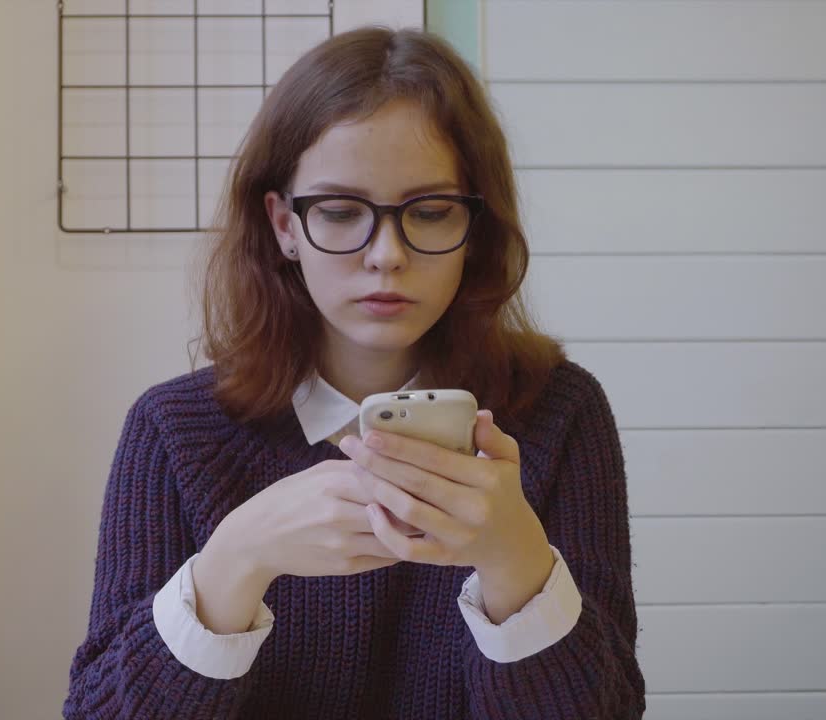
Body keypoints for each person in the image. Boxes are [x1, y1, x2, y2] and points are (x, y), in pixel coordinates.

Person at [63, 26, 645, 720]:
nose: (386, 255)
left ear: (477, 228)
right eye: (340, 212)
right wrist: (235, 561)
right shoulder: (173, 430)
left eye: (429, 213)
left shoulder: (559, 412)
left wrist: (515, 558)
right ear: (282, 224)